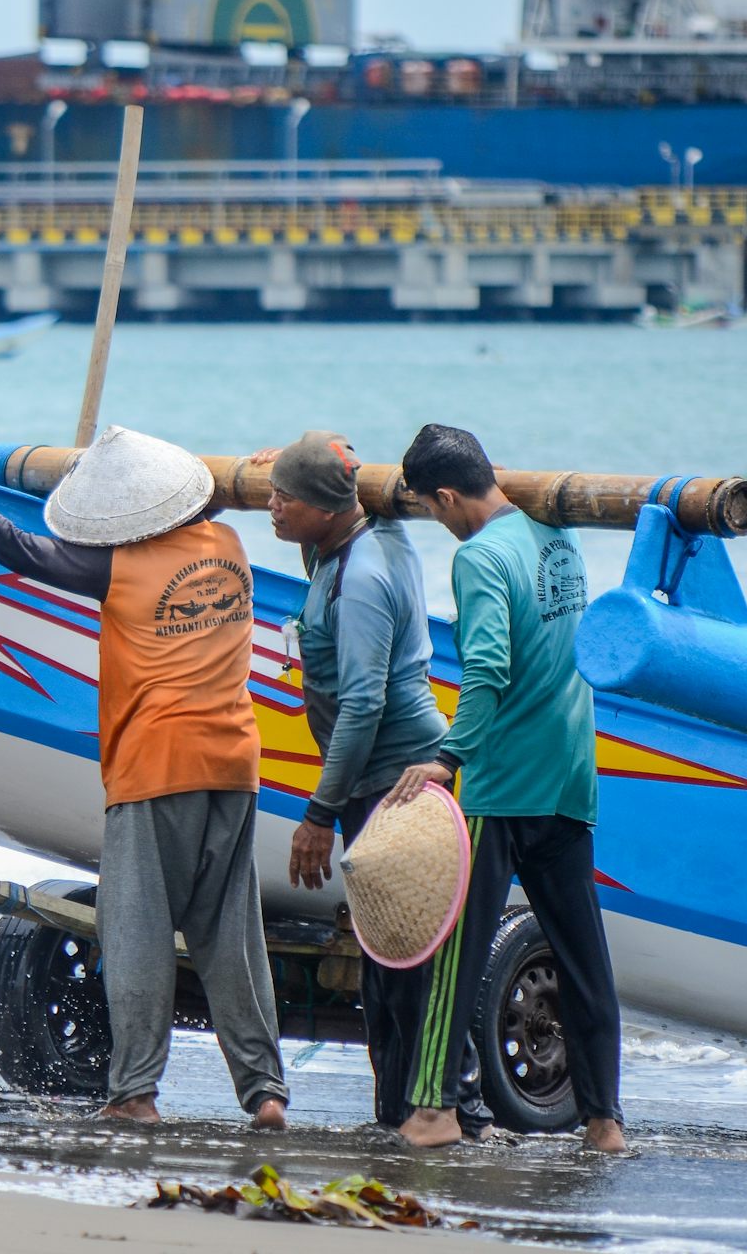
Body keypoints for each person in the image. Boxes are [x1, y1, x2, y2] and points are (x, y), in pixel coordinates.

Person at [0, 428, 288, 1128]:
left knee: (136, 932)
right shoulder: (227, 549)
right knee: (229, 935)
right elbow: (207, 509)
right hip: (235, 766)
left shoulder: (121, 568)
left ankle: (135, 1093)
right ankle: (265, 1093)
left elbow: (15, 547)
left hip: (155, 766)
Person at [383, 424, 626, 1153]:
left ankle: (432, 1112)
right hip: (570, 777)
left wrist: (448, 758)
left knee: (453, 953)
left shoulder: (480, 558)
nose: (435, 520)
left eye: (431, 508)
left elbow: (485, 669)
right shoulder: (559, 532)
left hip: (501, 787)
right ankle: (603, 1121)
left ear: (449, 496)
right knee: (583, 954)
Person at [259, 431, 493, 1135]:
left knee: (403, 963)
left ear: (328, 508)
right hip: (379, 782)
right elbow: (333, 506)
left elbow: (362, 704)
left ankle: (447, 1109)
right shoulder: (361, 539)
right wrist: (308, 451)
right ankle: (401, 1113)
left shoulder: (361, 578)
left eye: (282, 498)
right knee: (389, 959)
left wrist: (318, 814)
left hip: (393, 788)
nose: (268, 507)